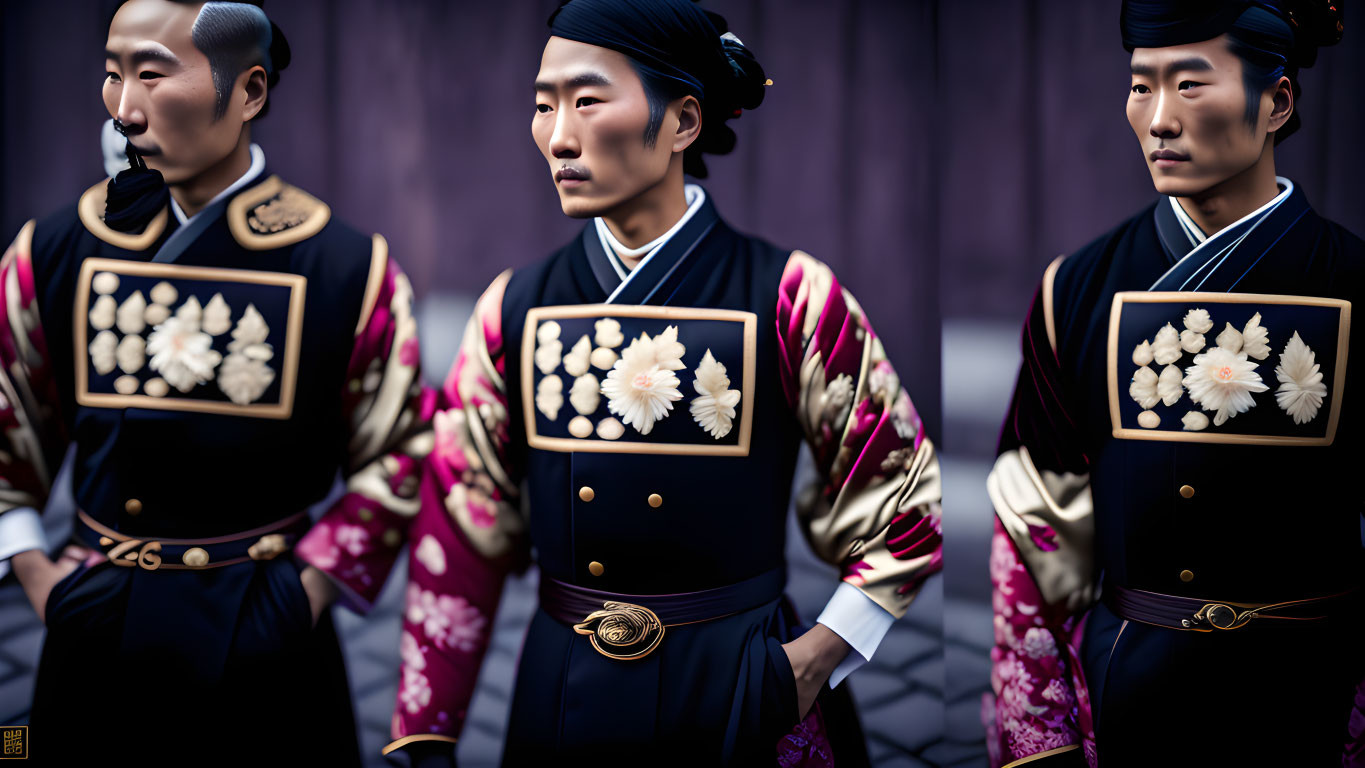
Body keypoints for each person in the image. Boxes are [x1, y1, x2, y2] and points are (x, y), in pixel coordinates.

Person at [384, 1, 942, 765]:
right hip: (561, 683)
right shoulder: (511, 306)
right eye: (542, 105)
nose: (557, 137)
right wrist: (427, 730)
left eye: (585, 100)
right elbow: (460, 525)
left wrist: (815, 659)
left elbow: (902, 493)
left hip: (744, 678)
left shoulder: (792, 294)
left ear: (682, 122)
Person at [0, 0, 429, 761]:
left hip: (269, 625)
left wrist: (308, 591)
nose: (124, 109)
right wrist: (39, 577)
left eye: (152, 76)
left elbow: (400, 450)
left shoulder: (345, 267)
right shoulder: (55, 249)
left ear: (250, 92)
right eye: (111, 75)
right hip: (96, 620)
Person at [986, 1, 1363, 766]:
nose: (1157, 119)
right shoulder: (1077, 288)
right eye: (1139, 86)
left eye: (1189, 86)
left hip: (1316, 688)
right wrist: (1043, 732)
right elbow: (1031, 522)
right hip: (1128, 678)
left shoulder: (1353, 284)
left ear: (1275, 103)